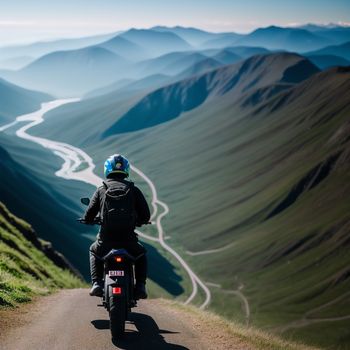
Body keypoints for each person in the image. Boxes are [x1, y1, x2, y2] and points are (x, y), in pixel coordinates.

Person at [83, 154, 150, 299]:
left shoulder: (102, 189)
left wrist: (88, 220)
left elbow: (89, 213)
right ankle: (140, 286)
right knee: (141, 254)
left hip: (106, 240)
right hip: (128, 240)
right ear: (126, 169)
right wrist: (140, 220)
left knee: (94, 251)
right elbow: (146, 215)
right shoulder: (133, 189)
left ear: (107, 169)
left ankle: (96, 284)